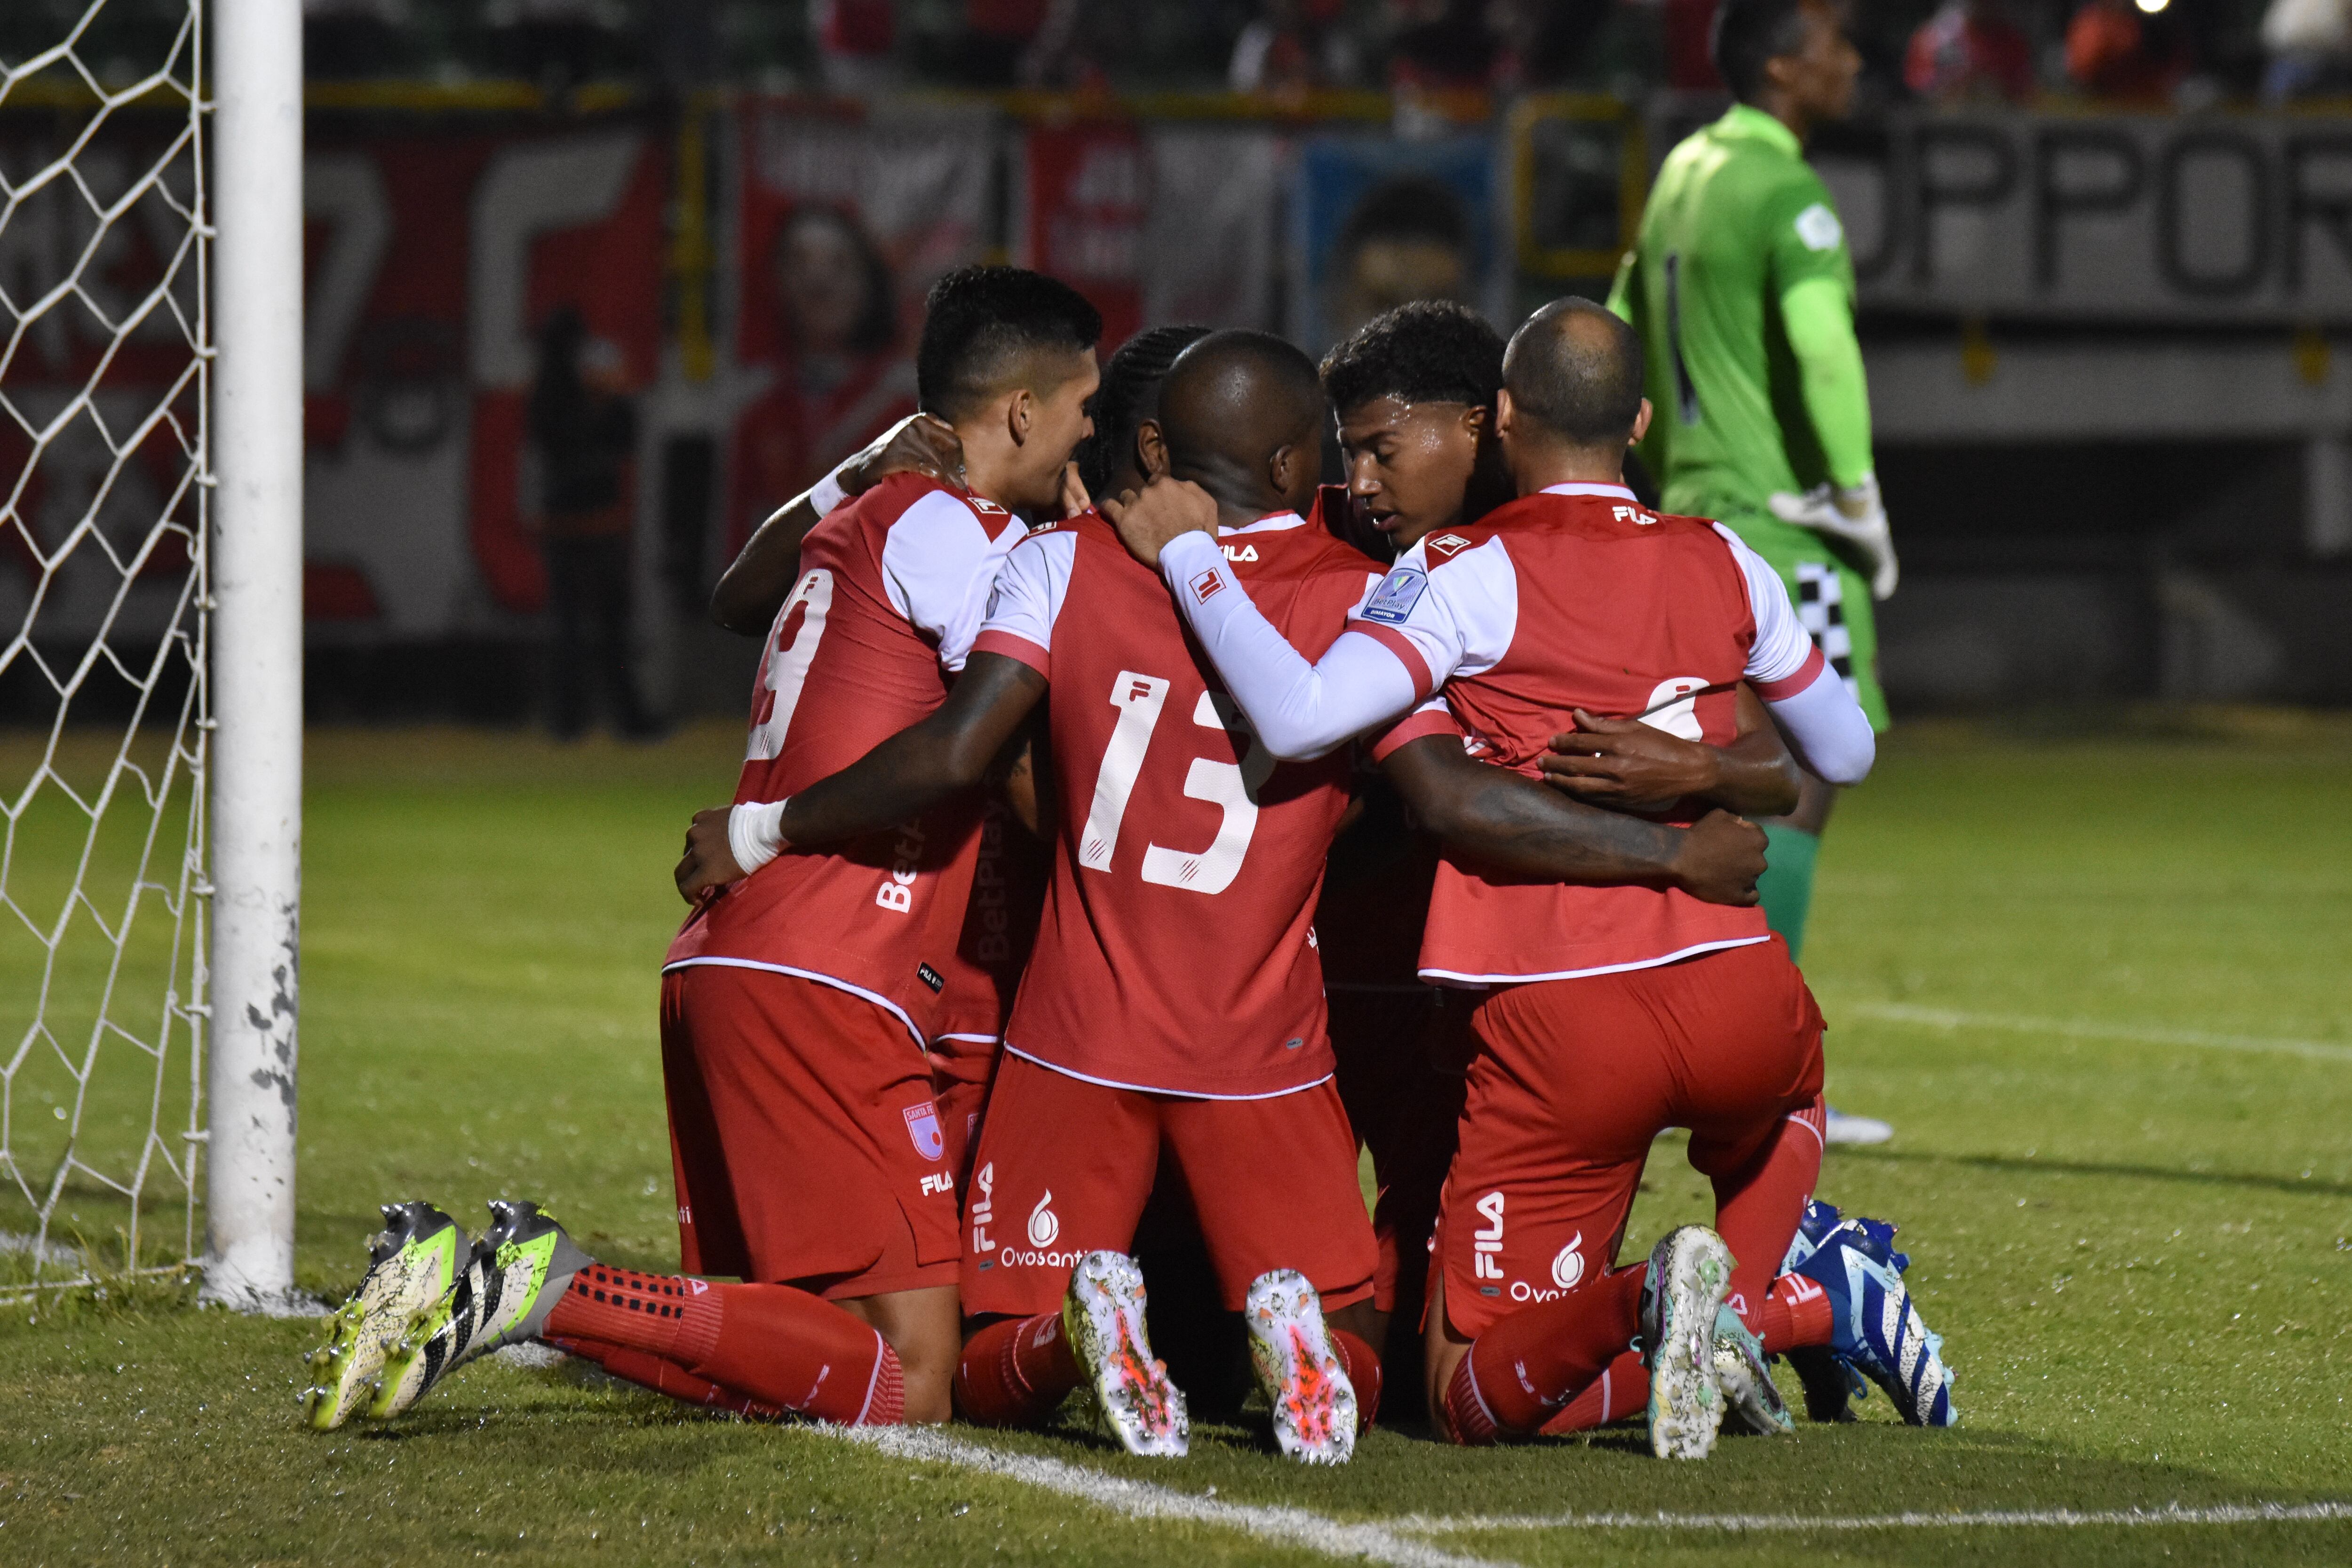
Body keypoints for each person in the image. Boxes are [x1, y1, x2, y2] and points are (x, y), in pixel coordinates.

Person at [678, 328, 1772, 1463]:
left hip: (1076, 1038)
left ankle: (1075, 1340)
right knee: (1362, 1340)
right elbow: (1435, 787)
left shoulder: (1059, 566)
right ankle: (1298, 1341)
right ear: (1302, 468)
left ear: (1151, 449)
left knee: (989, 1364)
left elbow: (973, 744)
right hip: (1266, 1046)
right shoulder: (1374, 596)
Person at [1101, 299, 1955, 1453]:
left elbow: (1459, 782)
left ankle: (1779, 1307)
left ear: (1489, 422)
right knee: (1283, 1358)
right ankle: (1777, 1307)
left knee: (1441, 1385)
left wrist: (1709, 777)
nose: (1356, 480)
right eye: (1344, 448)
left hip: (1520, 1010)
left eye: (1382, 446)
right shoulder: (1683, 552)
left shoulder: (1461, 571)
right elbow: (1816, 748)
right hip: (1396, 982)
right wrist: (1693, 816)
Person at [300, 266, 1104, 1434]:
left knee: (804, 1361)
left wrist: (854, 467)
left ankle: (518, 1280)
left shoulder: (861, 521)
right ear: (1024, 410)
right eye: (1080, 407)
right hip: (833, 969)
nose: (1085, 435)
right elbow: (987, 758)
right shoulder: (968, 539)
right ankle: (550, 1285)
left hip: (738, 961)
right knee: (912, 1381)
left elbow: (736, 595)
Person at [1610, 0, 1896, 1144]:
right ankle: (1759, 1066)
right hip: (1778, 527)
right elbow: (1824, 345)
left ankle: (1705, 1046)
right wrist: (1858, 494)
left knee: (1731, 777)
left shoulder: (1683, 167)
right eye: (1835, 41)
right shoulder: (1786, 191)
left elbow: (1625, 322)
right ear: (1785, 63)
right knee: (1806, 773)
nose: (1855, 59)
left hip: (1692, 519)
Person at [726, 206, 917, 562]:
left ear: (868, 281)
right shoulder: (755, 410)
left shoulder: (906, 405)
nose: (819, 282)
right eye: (799, 263)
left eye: (840, 264)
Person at [526, 306, 658, 740]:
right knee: (598, 631)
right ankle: (610, 718)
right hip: (587, 529)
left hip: (582, 528)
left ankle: (577, 720)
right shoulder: (559, 398)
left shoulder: (560, 397)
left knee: (584, 631)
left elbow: (623, 446)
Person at [1904, 0, 2035, 103]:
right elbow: (1917, 93)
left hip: (2000, 124)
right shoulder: (1931, 40)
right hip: (1942, 126)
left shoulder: (2012, 41)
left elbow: (2026, 93)